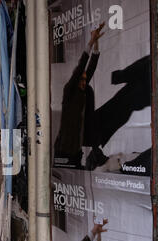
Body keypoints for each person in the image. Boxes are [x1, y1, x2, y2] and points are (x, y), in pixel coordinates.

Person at [54, 23, 105, 168]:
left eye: (85, 79)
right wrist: (90, 42)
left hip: (76, 149)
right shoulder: (69, 90)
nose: (84, 81)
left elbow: (91, 67)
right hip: (63, 149)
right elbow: (81, 66)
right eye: (81, 79)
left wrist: (96, 43)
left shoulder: (82, 90)